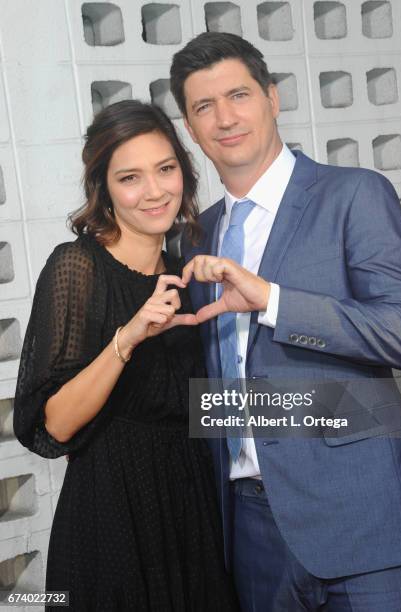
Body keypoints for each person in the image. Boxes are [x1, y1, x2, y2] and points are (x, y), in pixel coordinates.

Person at [170, 32, 401, 611]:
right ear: (190, 129)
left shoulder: (353, 195)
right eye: (203, 107)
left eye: (238, 95)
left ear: (272, 98)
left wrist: (273, 300)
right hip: (252, 538)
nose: (224, 118)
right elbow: (225, 390)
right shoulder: (193, 236)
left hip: (368, 532)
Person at [13, 100, 239, 611]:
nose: (155, 191)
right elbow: (54, 426)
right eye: (130, 177)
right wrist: (128, 336)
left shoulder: (190, 272)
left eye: (165, 169)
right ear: (104, 189)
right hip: (110, 516)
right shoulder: (78, 265)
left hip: (190, 511)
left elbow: (206, 408)